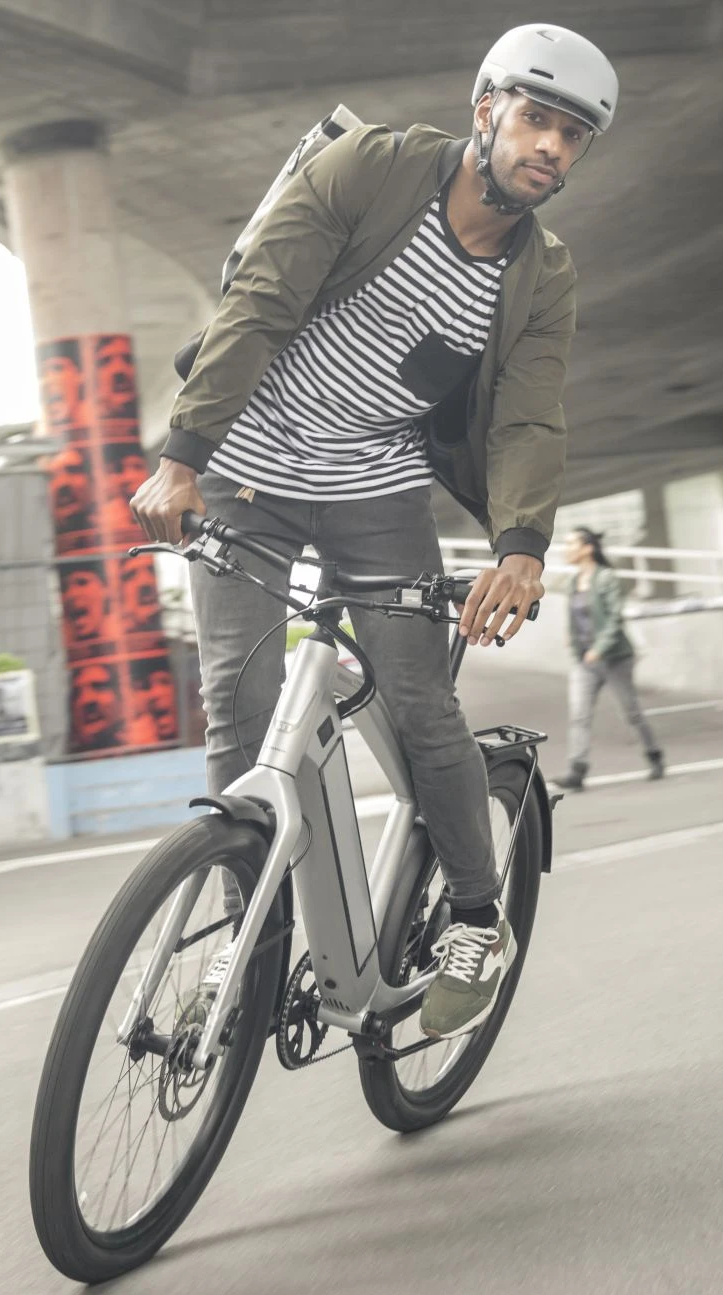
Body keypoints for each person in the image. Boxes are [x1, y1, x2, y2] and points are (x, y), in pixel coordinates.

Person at [132, 25, 619, 1040]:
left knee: (420, 703)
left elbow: (528, 416)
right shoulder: (371, 169)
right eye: (535, 118)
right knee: (237, 703)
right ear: (485, 108)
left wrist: (521, 548)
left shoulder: (542, 274)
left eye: (572, 136)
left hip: (378, 490)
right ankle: (247, 933)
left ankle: (476, 919)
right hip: (249, 471)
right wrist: (183, 456)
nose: (550, 147)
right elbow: (260, 303)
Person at [551, 528, 664, 791]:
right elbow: (574, 617)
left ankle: (654, 755)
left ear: (587, 548)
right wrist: (571, 637)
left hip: (614, 658)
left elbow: (615, 617)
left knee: (631, 713)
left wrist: (599, 648)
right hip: (584, 660)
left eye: (571, 544)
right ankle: (577, 771)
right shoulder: (573, 581)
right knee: (579, 716)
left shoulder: (606, 578)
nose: (566, 549)